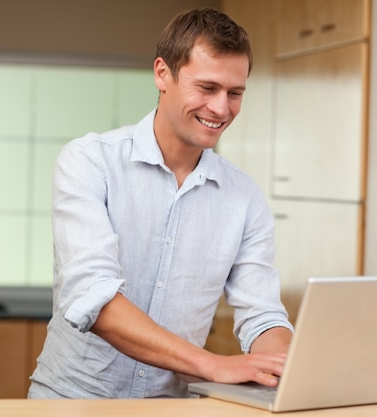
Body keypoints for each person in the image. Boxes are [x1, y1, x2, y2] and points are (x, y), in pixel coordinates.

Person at [28, 8, 293, 399]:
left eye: (235, 93)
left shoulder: (245, 196)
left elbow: (262, 313)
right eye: (207, 88)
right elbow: (94, 298)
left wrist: (282, 367)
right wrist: (213, 364)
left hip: (171, 406)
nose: (221, 109)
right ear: (162, 74)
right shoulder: (90, 162)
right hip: (73, 401)